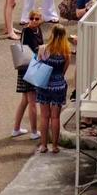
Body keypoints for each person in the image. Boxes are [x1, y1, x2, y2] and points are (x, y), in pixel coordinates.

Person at [36, 24, 72, 154]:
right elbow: (64, 70)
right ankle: (55, 146)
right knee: (55, 117)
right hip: (59, 85)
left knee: (44, 117)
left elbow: (38, 65)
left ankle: (44, 145)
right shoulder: (65, 52)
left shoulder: (44, 49)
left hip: (44, 85)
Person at [12, 11, 43, 140]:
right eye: (31, 18)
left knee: (25, 100)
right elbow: (26, 49)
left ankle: (16, 128)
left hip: (32, 66)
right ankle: (34, 131)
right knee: (32, 100)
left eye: (36, 18)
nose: (34, 21)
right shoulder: (27, 31)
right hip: (29, 67)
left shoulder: (38, 30)